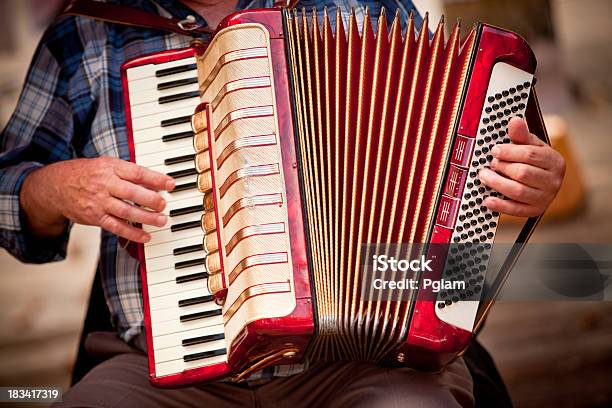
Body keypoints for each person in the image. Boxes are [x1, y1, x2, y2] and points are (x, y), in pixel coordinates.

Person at [0, 1, 566, 406]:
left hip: (359, 360)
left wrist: (520, 187)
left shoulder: (363, 10)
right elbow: (9, 188)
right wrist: (50, 188)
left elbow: (452, 212)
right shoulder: (87, 35)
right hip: (163, 373)